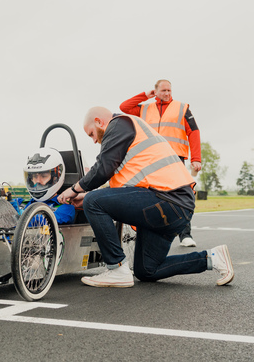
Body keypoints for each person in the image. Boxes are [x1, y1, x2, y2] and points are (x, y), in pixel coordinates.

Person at [57, 107, 233, 288]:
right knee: (147, 270)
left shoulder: (119, 124)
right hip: (174, 207)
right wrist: (86, 194)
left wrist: (75, 189)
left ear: (99, 121)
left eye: (91, 134)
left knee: (93, 201)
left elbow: (103, 168)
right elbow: (127, 187)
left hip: (166, 199)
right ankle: (211, 258)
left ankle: (116, 268)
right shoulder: (129, 132)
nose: (94, 140)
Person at [119, 80, 201, 247]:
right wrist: (144, 96)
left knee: (180, 194)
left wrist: (196, 158)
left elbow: (194, 132)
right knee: (149, 195)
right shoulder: (144, 109)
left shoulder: (182, 108)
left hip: (174, 158)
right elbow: (124, 107)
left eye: (169, 90)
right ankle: (148, 234)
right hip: (150, 158)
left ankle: (185, 235)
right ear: (155, 91)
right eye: (163, 90)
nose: (167, 93)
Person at [17, 147, 75, 225]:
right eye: (34, 176)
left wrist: (18, 216)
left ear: (55, 178)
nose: (37, 181)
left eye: (43, 176)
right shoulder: (21, 203)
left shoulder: (66, 208)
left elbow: (46, 221)